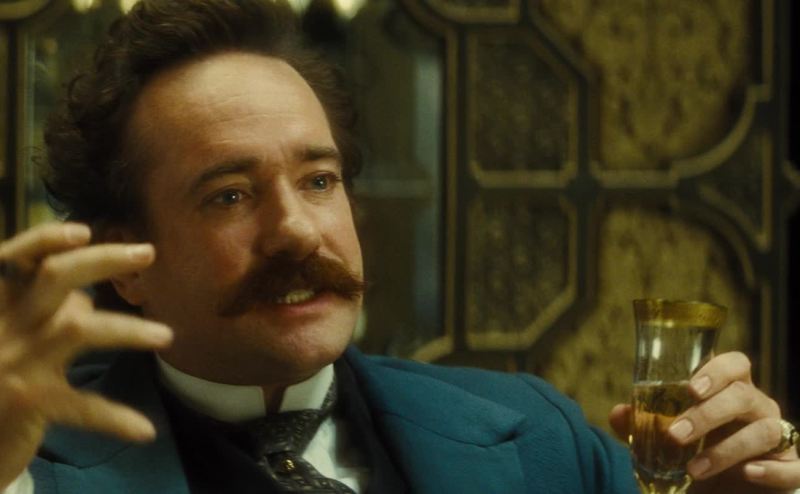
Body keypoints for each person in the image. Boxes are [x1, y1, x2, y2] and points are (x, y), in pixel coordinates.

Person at [0, 1, 797, 492]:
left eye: (319, 180)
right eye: (230, 196)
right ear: (127, 263)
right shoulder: (25, 462)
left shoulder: (541, 440)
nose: (297, 229)